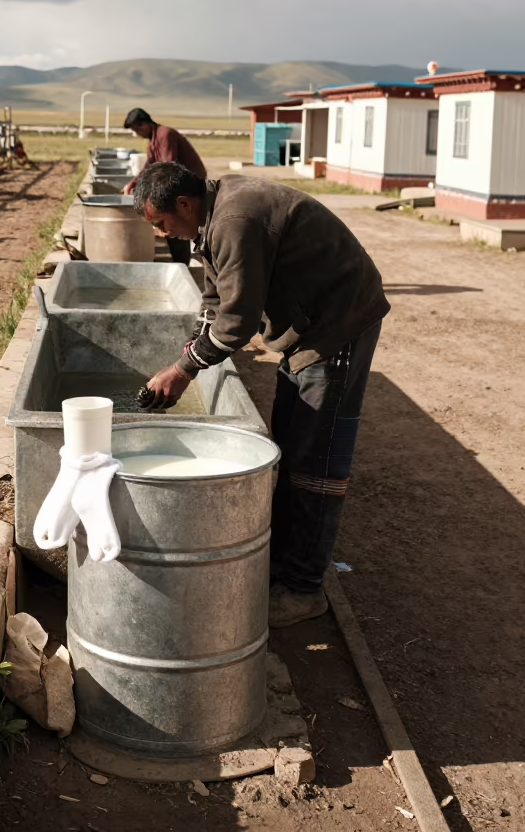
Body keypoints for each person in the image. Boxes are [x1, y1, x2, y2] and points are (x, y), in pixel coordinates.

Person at [132, 162, 389, 628]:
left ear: (184, 204)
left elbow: (238, 322)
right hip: (308, 325)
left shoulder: (234, 220)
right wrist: (187, 352)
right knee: (289, 441)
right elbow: (216, 302)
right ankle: (284, 563)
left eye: (160, 222)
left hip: (338, 324)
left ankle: (304, 588)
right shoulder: (211, 218)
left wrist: (184, 369)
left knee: (317, 458)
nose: (162, 231)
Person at [121, 108, 206, 265]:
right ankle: (179, 261)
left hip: (189, 186)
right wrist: (133, 182)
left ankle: (182, 264)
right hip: (174, 184)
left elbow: (167, 167)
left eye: (137, 129)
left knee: (177, 221)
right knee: (170, 224)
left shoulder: (165, 134)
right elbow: (149, 166)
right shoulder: (153, 141)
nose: (137, 133)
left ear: (145, 124)